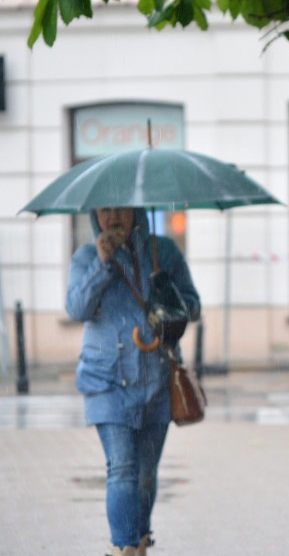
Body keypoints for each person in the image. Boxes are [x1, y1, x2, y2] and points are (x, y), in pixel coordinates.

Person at [66, 207, 201, 556]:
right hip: (106, 381)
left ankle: (139, 541)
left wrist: (165, 295)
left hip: (157, 380)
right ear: (95, 216)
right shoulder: (84, 257)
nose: (113, 218)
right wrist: (102, 264)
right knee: (123, 468)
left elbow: (193, 305)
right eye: (105, 210)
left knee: (144, 475)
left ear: (136, 212)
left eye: (120, 210)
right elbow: (77, 308)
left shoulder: (164, 252)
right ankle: (123, 546)